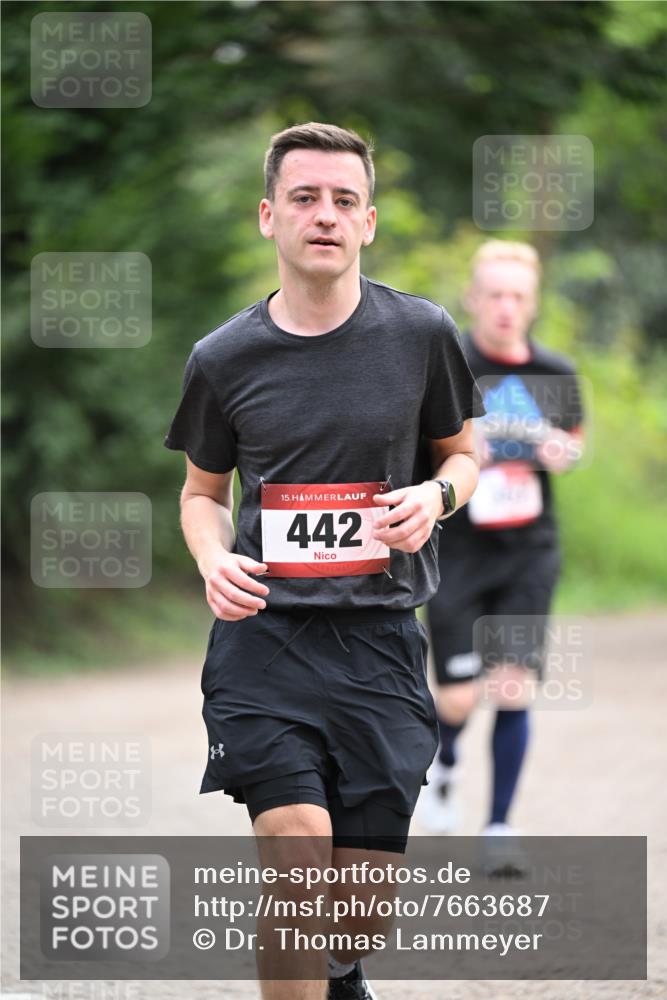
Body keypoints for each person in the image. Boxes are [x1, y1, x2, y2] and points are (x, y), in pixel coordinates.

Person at [164, 122, 484, 1000]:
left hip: (379, 642)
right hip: (264, 644)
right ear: (269, 216)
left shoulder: (421, 334)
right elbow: (201, 495)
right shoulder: (223, 358)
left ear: (368, 221)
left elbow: (462, 454)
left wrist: (436, 497)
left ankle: (340, 972)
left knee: (357, 911)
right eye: (304, 197)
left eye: (344, 200)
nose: (324, 215)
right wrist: (211, 558)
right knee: (296, 856)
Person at [417, 240, 585, 848]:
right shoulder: (448, 362)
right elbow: (413, 447)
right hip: (457, 549)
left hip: (527, 550)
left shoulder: (555, 373)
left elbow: (573, 444)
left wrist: (560, 452)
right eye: (494, 295)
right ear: (473, 298)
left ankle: (498, 826)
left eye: (517, 296)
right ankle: (447, 766)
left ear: (532, 303)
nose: (505, 308)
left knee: (513, 685)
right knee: (458, 699)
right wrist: (456, 456)